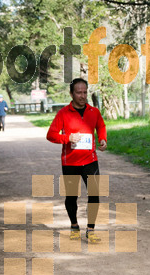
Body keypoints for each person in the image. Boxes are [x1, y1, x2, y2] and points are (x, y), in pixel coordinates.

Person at [46, 78, 107, 243]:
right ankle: (74, 225)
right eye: (79, 92)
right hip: (70, 163)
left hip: (90, 160)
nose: (82, 96)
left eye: (85, 92)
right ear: (71, 94)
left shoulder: (94, 112)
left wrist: (102, 139)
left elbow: (100, 126)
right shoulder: (63, 114)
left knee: (94, 194)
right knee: (71, 197)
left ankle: (91, 229)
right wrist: (67, 138)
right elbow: (50, 135)